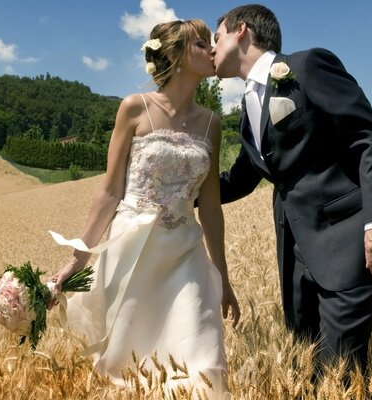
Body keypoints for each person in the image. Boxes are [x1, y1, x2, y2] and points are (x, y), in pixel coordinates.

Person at [211, 3, 372, 388]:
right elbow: (241, 179)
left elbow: (369, 137)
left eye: (216, 38)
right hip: (294, 255)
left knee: (341, 376)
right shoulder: (247, 109)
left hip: (348, 241)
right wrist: (177, 194)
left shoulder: (307, 66)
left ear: (240, 31)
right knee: (308, 370)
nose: (212, 49)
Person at [47, 19, 239, 398]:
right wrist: (76, 260)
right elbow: (108, 194)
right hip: (132, 254)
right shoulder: (134, 109)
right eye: (202, 44)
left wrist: (223, 279)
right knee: (129, 368)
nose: (212, 50)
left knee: (202, 361)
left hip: (187, 256)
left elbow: (212, 210)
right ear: (175, 56)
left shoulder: (212, 124)